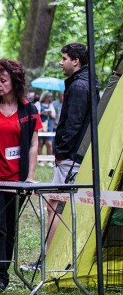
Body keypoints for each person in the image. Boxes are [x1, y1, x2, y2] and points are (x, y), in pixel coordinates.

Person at [0, 58, 42, 291]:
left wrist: (29, 177)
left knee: (10, 228)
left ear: (15, 81)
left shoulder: (29, 110)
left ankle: (4, 272)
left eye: (3, 80)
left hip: (17, 180)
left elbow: (33, 145)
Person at [44, 42, 99, 252]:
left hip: (71, 157)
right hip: (78, 154)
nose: (61, 62)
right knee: (64, 206)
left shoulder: (78, 86)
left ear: (76, 61)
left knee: (54, 206)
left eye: (64, 58)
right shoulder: (87, 82)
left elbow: (73, 124)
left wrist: (61, 153)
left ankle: (53, 257)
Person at [35, 91, 57, 168]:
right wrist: (42, 113)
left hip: (49, 126)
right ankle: (40, 161)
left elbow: (54, 117)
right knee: (40, 143)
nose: (49, 98)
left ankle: (49, 161)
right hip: (40, 126)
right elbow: (34, 115)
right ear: (45, 97)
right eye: (48, 97)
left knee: (49, 143)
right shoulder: (38, 104)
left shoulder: (51, 105)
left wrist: (50, 113)